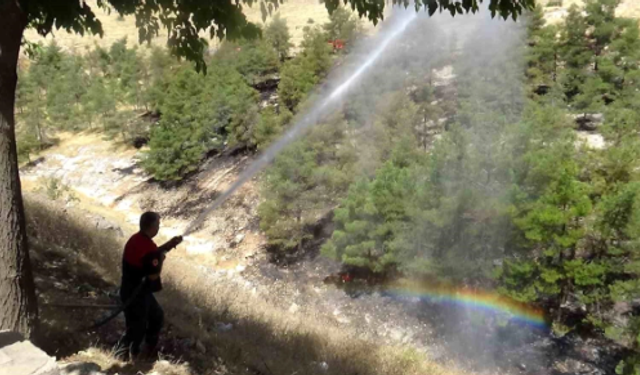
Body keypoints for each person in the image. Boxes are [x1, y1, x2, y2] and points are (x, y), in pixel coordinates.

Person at [115, 211, 182, 361]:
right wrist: (161, 260)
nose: (159, 227)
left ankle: (147, 351)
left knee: (156, 316)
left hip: (132, 290)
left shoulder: (136, 239)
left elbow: (151, 255)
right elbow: (153, 275)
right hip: (136, 294)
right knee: (136, 327)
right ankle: (124, 356)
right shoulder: (148, 247)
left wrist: (169, 245)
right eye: (158, 224)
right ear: (152, 226)